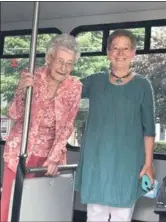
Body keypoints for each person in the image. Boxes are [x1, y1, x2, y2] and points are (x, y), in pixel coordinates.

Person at [75, 29, 155, 222]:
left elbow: (149, 129)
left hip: (127, 162)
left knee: (122, 215)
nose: (120, 53)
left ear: (133, 53)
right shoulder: (94, 81)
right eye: (115, 48)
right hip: (96, 160)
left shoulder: (143, 85)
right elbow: (65, 90)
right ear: (108, 53)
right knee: (95, 215)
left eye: (125, 48)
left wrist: (149, 164)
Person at [1, 33, 82, 222]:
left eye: (69, 63)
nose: (63, 68)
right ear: (49, 58)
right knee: (12, 203)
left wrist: (53, 158)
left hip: (49, 155)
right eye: (60, 61)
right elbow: (14, 114)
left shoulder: (74, 86)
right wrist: (22, 89)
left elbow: (67, 126)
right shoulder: (31, 76)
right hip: (20, 151)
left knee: (41, 206)